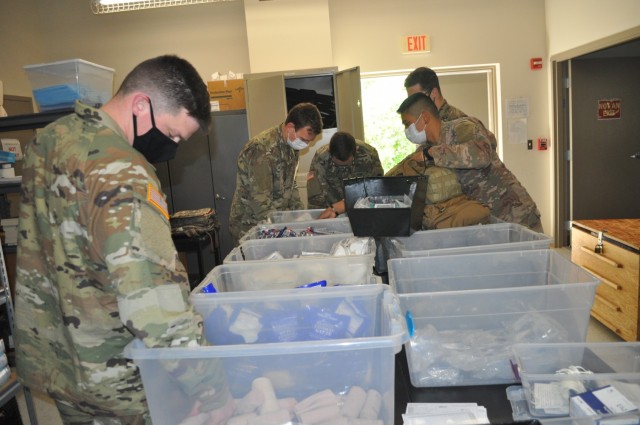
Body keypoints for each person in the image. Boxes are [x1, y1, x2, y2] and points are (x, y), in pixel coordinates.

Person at [14, 55, 233, 425]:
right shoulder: (124, 171)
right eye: (172, 135)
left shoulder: (50, 140)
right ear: (140, 105)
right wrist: (212, 390)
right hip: (117, 376)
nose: (173, 148)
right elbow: (154, 304)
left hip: (60, 363)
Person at [397, 92, 543, 232]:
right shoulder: (426, 150)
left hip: (516, 214)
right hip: (486, 220)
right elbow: (404, 169)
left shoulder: (463, 127)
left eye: (407, 124)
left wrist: (432, 154)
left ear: (425, 118)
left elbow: (482, 155)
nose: (406, 130)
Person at [229, 103, 323, 242]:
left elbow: (291, 186)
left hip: (274, 222)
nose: (305, 145)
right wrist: (284, 228)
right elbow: (261, 200)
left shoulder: (291, 147)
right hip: (251, 225)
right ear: (290, 127)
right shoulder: (261, 150)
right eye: (303, 140)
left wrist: (300, 214)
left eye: (308, 142)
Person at [307, 131, 383, 218]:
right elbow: (315, 198)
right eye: (338, 164)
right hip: (332, 210)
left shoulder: (369, 154)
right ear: (329, 152)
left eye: (348, 163)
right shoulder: (320, 159)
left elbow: (377, 187)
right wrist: (320, 219)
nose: (344, 167)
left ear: (356, 150)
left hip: (362, 208)